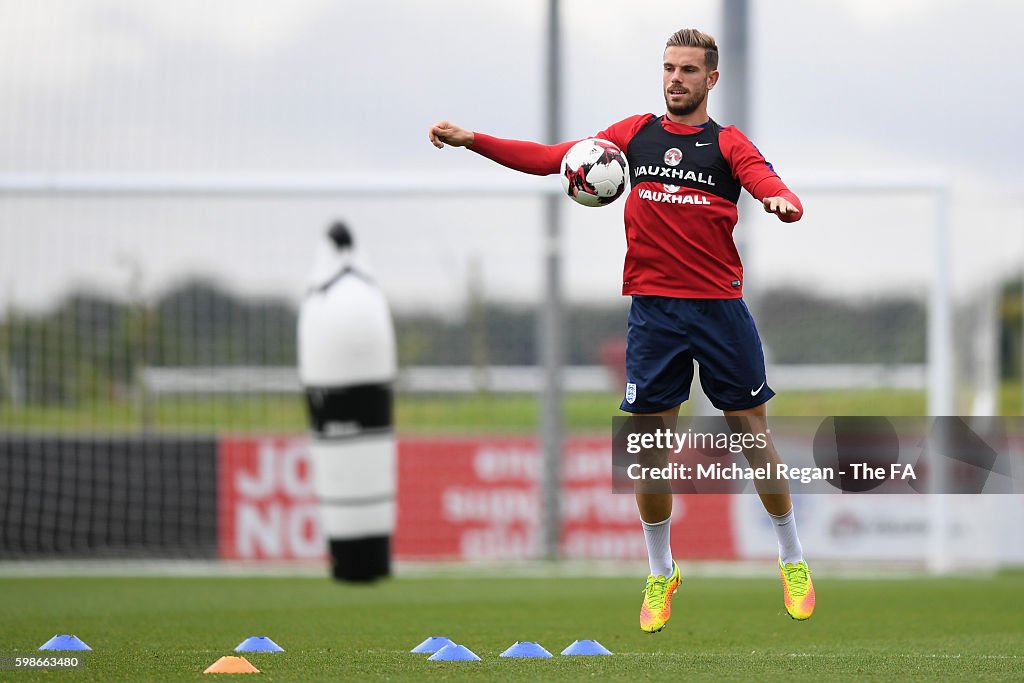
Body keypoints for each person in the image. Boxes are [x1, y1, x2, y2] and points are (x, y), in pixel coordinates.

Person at [428, 28, 814, 632]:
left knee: (751, 438)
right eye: (668, 68)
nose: (675, 78)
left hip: (719, 310)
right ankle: (661, 571)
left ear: (711, 79)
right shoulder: (632, 136)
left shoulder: (727, 144)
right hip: (654, 315)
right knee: (648, 454)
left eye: (688, 70)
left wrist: (781, 199)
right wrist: (473, 139)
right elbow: (550, 158)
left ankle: (791, 558)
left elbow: (765, 178)